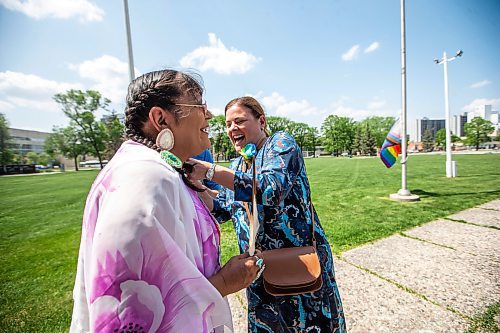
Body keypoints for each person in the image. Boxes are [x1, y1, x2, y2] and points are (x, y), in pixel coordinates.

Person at [69, 71, 262, 333]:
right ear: (161, 118)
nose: (209, 114)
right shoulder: (144, 179)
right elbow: (129, 314)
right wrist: (225, 282)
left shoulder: (155, 171)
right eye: (199, 105)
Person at [187, 96, 346, 332]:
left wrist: (210, 171)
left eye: (239, 121)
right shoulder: (237, 165)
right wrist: (192, 184)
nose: (232, 129)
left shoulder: (281, 144)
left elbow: (271, 188)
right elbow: (222, 208)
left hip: (299, 265)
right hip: (259, 273)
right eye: (228, 124)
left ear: (261, 121)